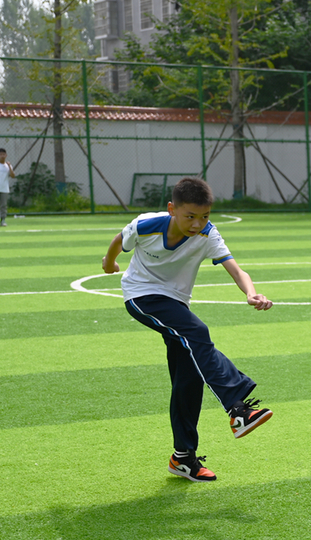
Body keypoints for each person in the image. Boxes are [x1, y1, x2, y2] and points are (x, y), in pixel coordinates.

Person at [101, 176, 274, 482]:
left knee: (189, 378)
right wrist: (109, 264)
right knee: (197, 332)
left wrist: (250, 292)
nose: (197, 224)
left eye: (204, 216)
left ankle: (183, 458)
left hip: (176, 304)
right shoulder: (146, 224)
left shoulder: (207, 234)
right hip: (141, 295)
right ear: (172, 209)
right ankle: (238, 409)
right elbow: (118, 242)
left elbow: (236, 268)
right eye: (190, 216)